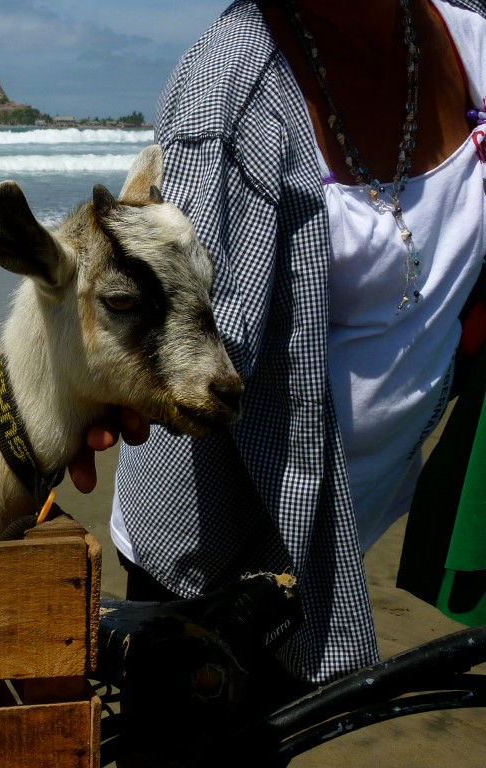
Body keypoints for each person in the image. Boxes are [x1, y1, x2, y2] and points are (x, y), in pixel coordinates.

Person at [70, 0, 486, 696]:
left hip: (354, 512)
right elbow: (189, 331)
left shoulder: (471, 35)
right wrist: (82, 392)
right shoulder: (228, 93)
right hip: (222, 539)